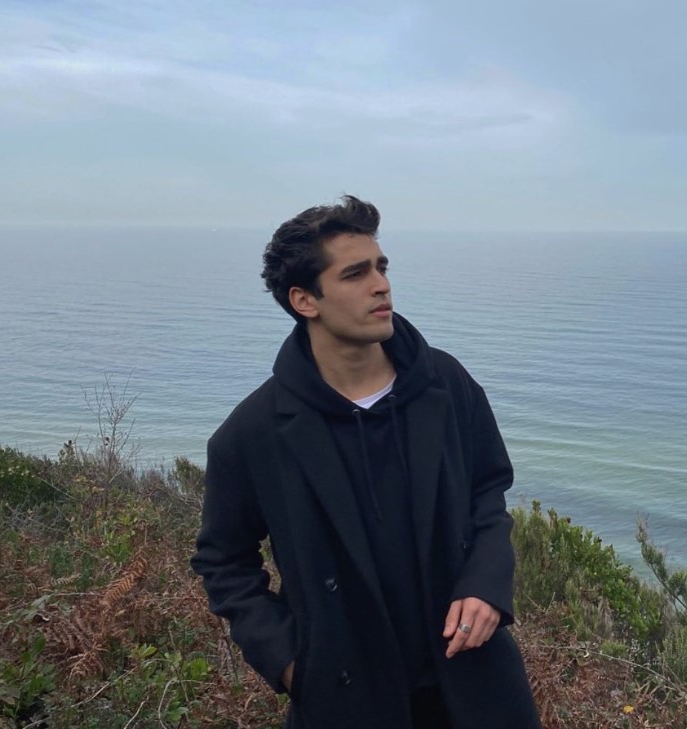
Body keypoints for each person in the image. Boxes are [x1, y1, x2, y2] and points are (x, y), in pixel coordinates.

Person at [191, 195, 540, 729]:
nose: (381, 286)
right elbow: (223, 560)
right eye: (355, 274)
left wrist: (486, 585)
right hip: (345, 697)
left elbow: (487, 492)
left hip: (473, 681)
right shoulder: (254, 433)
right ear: (305, 300)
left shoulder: (445, 385)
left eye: (381, 267)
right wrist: (289, 663)